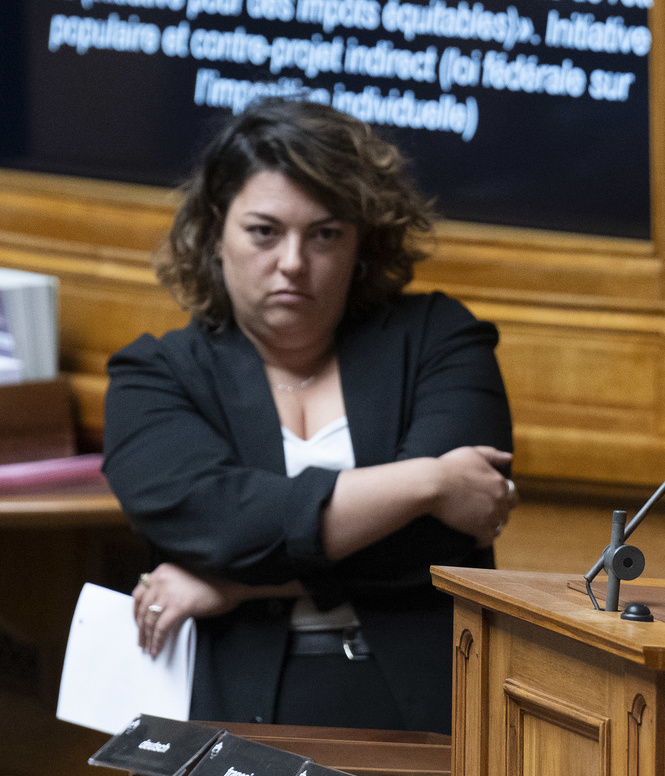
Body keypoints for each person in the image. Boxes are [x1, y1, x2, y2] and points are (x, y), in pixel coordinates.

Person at [102, 97, 518, 734]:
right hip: (234, 708)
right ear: (216, 232)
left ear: (360, 242)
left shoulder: (440, 338)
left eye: (325, 234)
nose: (293, 262)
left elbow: (446, 543)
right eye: (265, 231)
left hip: (434, 706)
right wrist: (427, 483)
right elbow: (222, 527)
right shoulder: (155, 376)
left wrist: (236, 585)